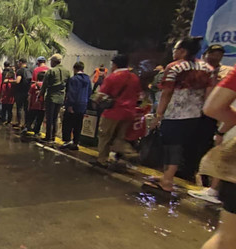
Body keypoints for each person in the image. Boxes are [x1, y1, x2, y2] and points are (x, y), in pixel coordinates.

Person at [145, 37, 213, 192]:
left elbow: (167, 92)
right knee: (179, 147)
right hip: (195, 115)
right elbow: (208, 93)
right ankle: (167, 176)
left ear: (183, 51)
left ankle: (167, 180)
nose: (173, 52)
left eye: (175, 49)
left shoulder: (175, 67)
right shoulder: (207, 68)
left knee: (171, 147)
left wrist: (159, 114)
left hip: (174, 114)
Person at [188, 45, 236, 202]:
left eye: (219, 54)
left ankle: (214, 190)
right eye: (213, 53)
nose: (216, 57)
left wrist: (222, 131)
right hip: (214, 119)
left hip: (225, 120)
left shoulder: (226, 71)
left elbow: (213, 106)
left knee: (224, 154)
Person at [92, 54, 141, 168]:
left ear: (114, 64)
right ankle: (130, 152)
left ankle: (102, 160)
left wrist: (95, 102)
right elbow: (140, 96)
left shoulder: (112, 77)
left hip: (113, 112)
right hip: (129, 113)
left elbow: (101, 94)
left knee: (105, 135)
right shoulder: (134, 77)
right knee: (120, 137)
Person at [39, 54, 70, 143]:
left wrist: (40, 95)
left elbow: (44, 85)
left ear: (54, 61)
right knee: (55, 118)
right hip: (61, 98)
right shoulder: (67, 71)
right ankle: (53, 136)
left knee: (49, 117)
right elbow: (68, 86)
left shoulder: (51, 71)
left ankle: (48, 136)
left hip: (51, 96)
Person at [60, 61, 91, 151]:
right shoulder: (87, 79)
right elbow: (89, 92)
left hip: (74, 105)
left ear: (75, 69)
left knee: (68, 123)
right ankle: (76, 142)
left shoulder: (74, 79)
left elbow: (72, 93)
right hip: (83, 105)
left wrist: (70, 105)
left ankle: (67, 141)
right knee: (78, 124)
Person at [25, 71, 46, 137]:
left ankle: (27, 128)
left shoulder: (33, 86)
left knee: (31, 118)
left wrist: (29, 105)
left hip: (33, 105)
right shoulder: (45, 86)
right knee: (39, 120)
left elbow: (29, 96)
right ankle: (36, 131)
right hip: (42, 106)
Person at [14, 59, 33, 128]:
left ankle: (19, 123)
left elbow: (17, 81)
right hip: (27, 92)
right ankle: (26, 124)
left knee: (19, 108)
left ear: (21, 63)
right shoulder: (30, 70)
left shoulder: (20, 70)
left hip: (20, 92)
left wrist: (9, 81)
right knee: (26, 108)